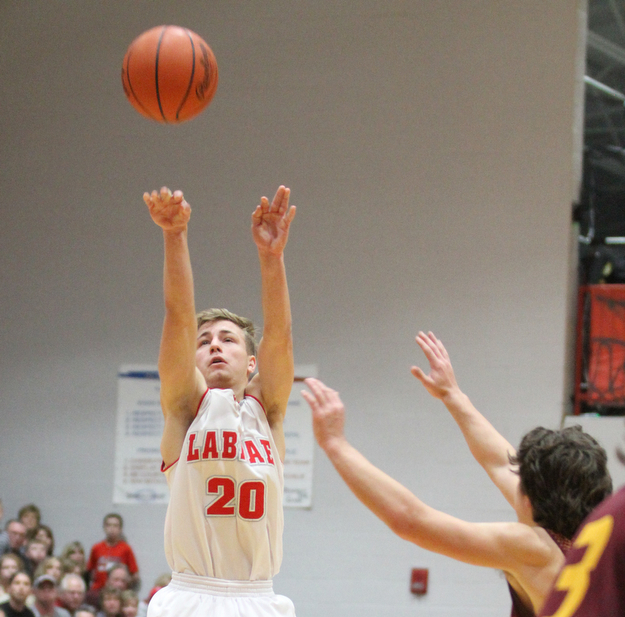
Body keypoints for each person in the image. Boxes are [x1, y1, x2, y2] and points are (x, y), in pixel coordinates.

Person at [302, 331, 613, 617]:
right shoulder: (596, 537)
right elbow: (500, 463)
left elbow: (411, 521)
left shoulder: (532, 548)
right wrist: (452, 395)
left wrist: (336, 446)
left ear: (530, 499)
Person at [142, 185, 297, 617]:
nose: (214, 346)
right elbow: (177, 315)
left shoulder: (270, 411)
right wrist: (175, 236)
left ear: (251, 362)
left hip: (259, 598)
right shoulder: (186, 408)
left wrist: (272, 258)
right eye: (204, 341)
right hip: (190, 595)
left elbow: (279, 337)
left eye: (227, 339)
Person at [85, 516, 138, 595]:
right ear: (104, 527)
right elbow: (89, 571)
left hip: (118, 593)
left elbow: (134, 574)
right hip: (98, 590)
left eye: (115, 526)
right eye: (109, 525)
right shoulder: (96, 548)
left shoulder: (126, 548)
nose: (112, 529)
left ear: (120, 529)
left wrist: (122, 583)